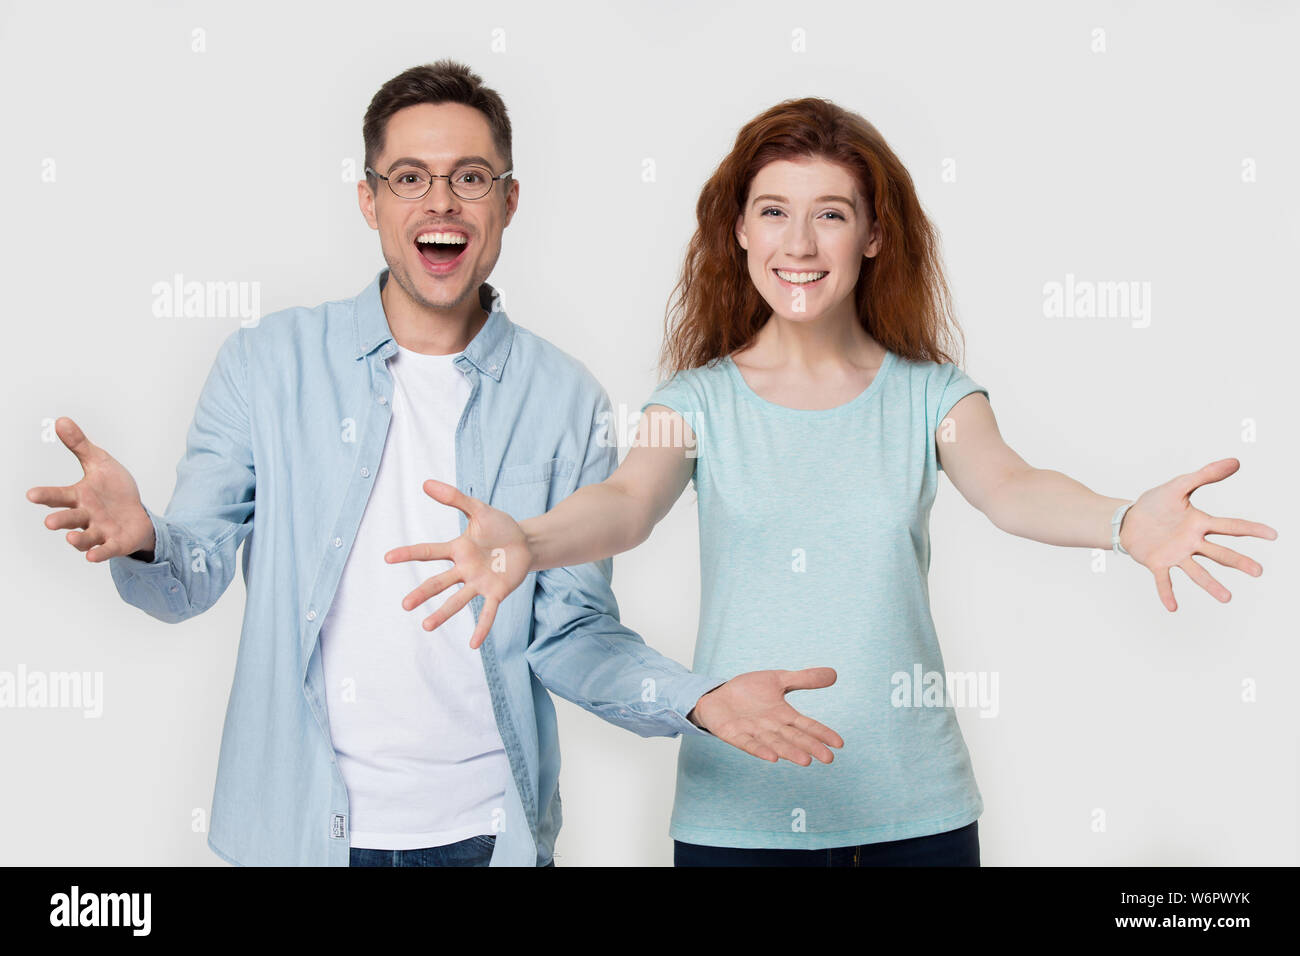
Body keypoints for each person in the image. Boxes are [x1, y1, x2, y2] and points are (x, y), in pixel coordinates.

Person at [389, 96, 1278, 867]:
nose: (800, 243)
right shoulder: (693, 401)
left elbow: (1011, 486)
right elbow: (626, 503)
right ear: (739, 230)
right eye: (773, 212)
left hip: (916, 818)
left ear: (875, 234)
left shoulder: (932, 396)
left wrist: (1123, 522)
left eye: (832, 214)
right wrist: (530, 541)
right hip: (738, 819)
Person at [24, 61, 844, 868]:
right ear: (369, 200)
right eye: (410, 177)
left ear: (509, 201)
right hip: (298, 835)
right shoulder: (265, 365)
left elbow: (570, 635)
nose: (440, 202)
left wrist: (695, 699)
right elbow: (190, 577)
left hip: (487, 838)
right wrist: (141, 538)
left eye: (471, 178)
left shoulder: (566, 400)